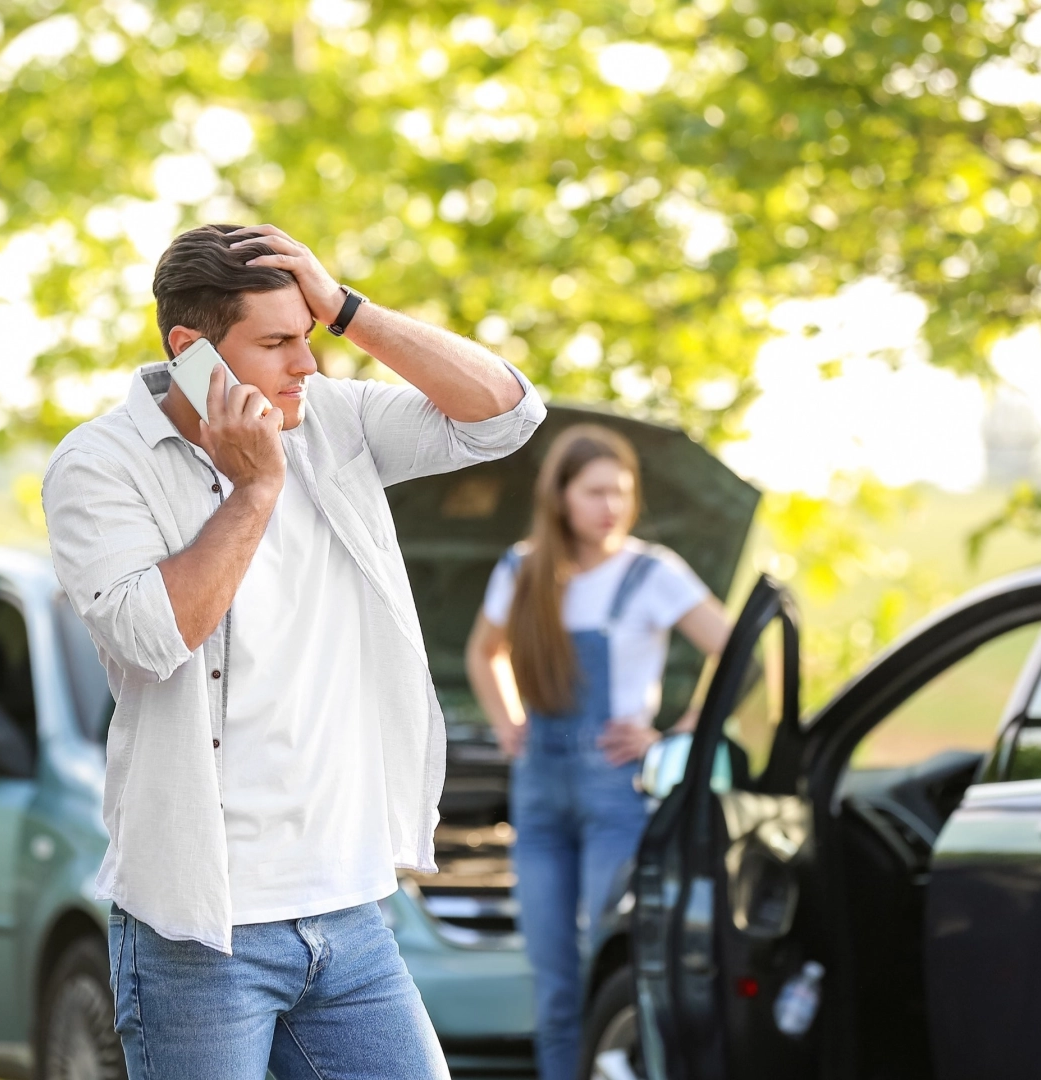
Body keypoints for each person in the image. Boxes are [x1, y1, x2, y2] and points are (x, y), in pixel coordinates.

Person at [43, 223, 546, 1080]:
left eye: (309, 335)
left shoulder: (334, 420)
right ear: (190, 350)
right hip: (200, 931)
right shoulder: (99, 464)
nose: (306, 364)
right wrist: (256, 488)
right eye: (277, 343)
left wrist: (347, 309)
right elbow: (154, 636)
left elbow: (507, 415)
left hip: (349, 913)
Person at [464, 424, 731, 1080]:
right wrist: (508, 723)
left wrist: (677, 734)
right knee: (553, 977)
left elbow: (737, 652)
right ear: (560, 496)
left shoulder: (652, 573)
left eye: (622, 492)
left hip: (618, 795)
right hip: (539, 794)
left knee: (606, 963)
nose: (611, 506)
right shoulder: (523, 568)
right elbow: (484, 652)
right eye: (595, 492)